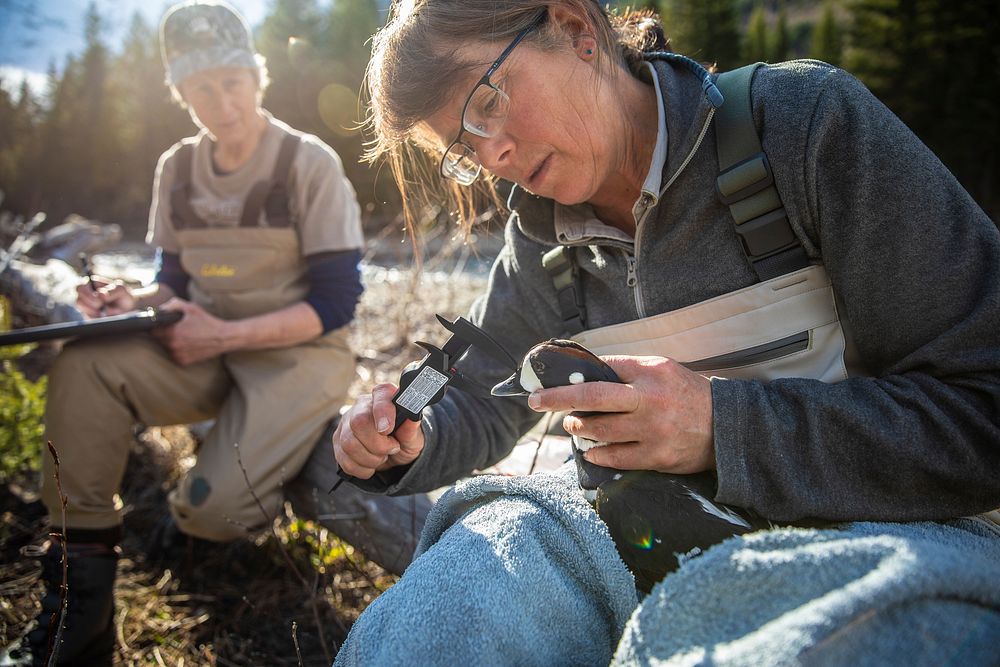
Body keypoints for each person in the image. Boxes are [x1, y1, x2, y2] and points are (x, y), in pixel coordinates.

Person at [329, 1, 1000, 665]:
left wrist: (720, 427)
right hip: (626, 529)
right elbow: (482, 398)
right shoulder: (539, 236)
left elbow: (984, 409)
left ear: (575, 29)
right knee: (454, 599)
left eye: (487, 101)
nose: (493, 152)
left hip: (878, 533)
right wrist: (409, 440)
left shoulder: (803, 125)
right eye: (463, 148)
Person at [5, 2, 364, 665]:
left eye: (231, 81)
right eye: (201, 87)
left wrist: (222, 336)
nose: (220, 101)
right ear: (181, 93)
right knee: (86, 360)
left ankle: (221, 475)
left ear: (257, 78)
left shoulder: (307, 163)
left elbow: (338, 303)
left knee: (208, 512)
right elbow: (172, 275)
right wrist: (131, 297)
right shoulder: (177, 166)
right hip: (198, 342)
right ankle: (78, 613)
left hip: (299, 353)